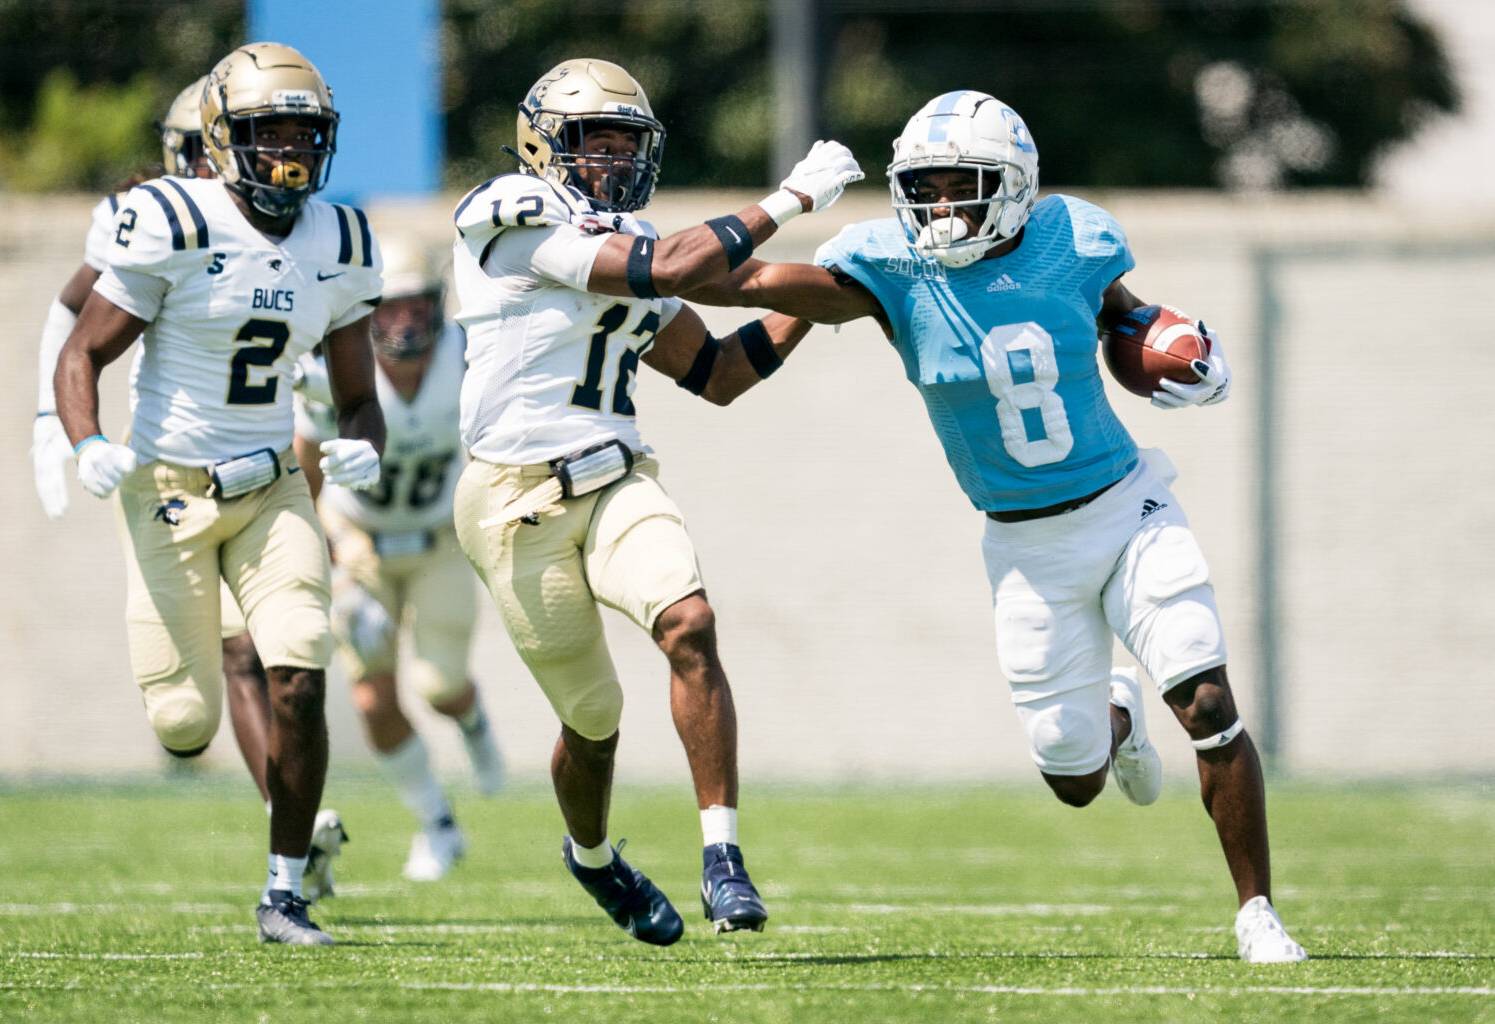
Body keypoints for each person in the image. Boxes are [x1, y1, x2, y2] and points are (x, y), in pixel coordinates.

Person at [685, 90, 1307, 964]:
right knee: (1074, 776)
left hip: (1129, 506)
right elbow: (732, 282)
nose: (939, 206)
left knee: (1206, 696)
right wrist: (697, 237)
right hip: (1023, 545)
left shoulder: (1074, 236)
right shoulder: (885, 268)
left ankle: (1257, 914)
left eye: (960, 185)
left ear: (1013, 187)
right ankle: (1117, 715)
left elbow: (1124, 317)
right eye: (925, 187)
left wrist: (1183, 358)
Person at [450, 58, 861, 944]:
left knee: (690, 623)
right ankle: (593, 859)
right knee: (593, 723)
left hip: (616, 479)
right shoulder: (504, 213)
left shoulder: (630, 238)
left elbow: (716, 372)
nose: (609, 159)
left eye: (623, 142)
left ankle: (723, 858)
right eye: (590, 141)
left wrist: (830, 292)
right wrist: (787, 200)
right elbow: (667, 265)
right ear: (540, 144)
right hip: (512, 501)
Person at [54, 43, 385, 946]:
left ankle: (284, 891)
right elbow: (81, 349)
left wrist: (361, 448)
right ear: (221, 136)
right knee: (185, 723)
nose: (288, 151)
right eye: (267, 130)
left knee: (300, 668)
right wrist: (83, 439)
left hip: (273, 486)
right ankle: (242, 801)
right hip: (167, 487)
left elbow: (359, 398)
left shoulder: (341, 239)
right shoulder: (171, 220)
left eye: (304, 133)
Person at [293, 234, 506, 883]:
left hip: (441, 538)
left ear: (438, 306)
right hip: (361, 546)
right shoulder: (336, 367)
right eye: (388, 308)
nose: (404, 321)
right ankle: (439, 825)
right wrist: (329, 558)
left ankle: (469, 715)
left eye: (416, 306)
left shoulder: (469, 355)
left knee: (440, 687)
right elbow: (306, 474)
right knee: (370, 700)